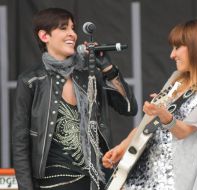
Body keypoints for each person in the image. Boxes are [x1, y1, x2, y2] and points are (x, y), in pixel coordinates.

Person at [102, 18, 197, 190]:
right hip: (140, 171)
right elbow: (147, 124)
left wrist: (164, 114)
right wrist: (122, 148)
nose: (172, 55)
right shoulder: (176, 79)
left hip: (173, 180)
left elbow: (184, 131)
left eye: (177, 48)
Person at [12, 8, 137, 190]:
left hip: (97, 178)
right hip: (55, 181)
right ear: (44, 36)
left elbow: (129, 108)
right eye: (63, 28)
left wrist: (108, 68)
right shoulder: (31, 80)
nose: (72, 34)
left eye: (73, 28)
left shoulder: (89, 75)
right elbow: (20, 142)